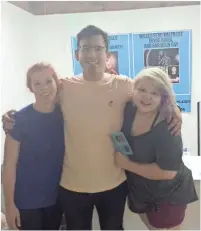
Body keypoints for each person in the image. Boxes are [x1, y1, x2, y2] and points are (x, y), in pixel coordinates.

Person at [2, 25, 182, 230]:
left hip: (114, 183)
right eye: (86, 48)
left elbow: (152, 92)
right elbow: (40, 101)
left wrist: (174, 109)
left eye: (98, 48)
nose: (92, 54)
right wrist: (11, 116)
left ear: (107, 53)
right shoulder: (63, 87)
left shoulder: (123, 85)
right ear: (77, 54)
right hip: (72, 186)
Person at [114, 67, 198, 230]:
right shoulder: (130, 109)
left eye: (154, 93)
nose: (146, 96)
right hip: (142, 194)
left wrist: (127, 165)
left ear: (163, 97)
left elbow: (168, 172)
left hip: (167, 198)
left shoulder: (168, 124)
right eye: (142, 90)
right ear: (134, 90)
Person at [2, 63, 64, 230]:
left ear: (56, 82)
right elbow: (8, 165)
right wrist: (9, 206)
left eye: (48, 81)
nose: (44, 87)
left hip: (56, 200)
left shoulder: (64, 115)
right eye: (37, 83)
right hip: (26, 202)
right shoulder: (18, 120)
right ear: (30, 88)